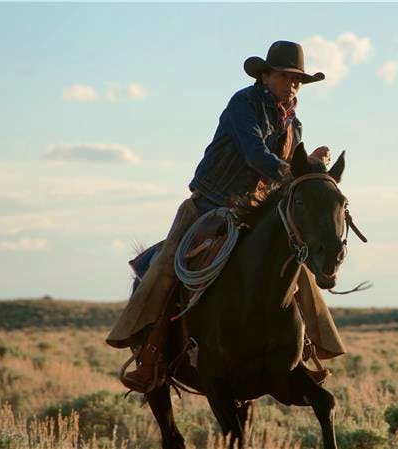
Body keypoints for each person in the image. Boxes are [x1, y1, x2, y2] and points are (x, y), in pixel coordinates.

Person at [106, 40, 340, 393]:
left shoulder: (295, 124)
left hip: (256, 210)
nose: (293, 84)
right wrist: (292, 173)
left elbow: (289, 167)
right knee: (168, 265)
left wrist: (311, 166)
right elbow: (255, 153)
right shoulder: (243, 104)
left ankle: (309, 349)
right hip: (209, 203)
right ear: (265, 75)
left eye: (298, 79)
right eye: (285, 76)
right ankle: (150, 354)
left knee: (297, 262)